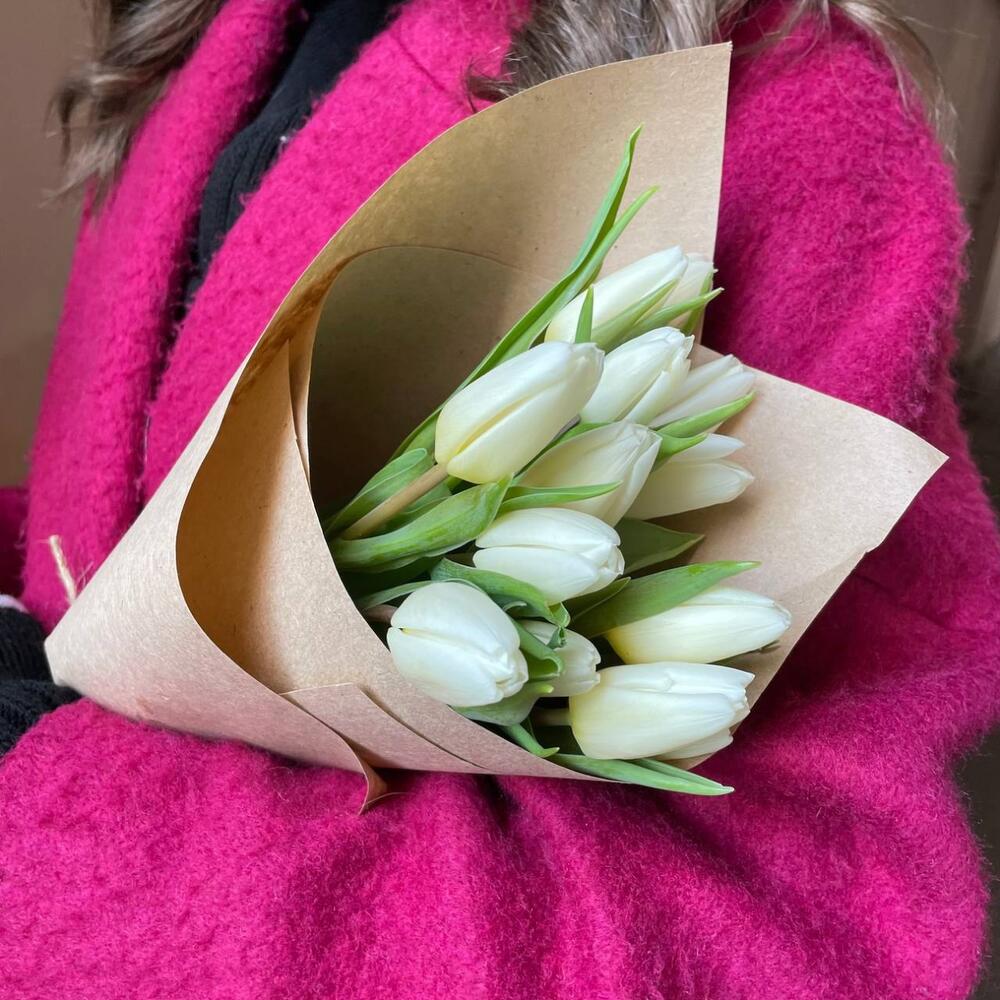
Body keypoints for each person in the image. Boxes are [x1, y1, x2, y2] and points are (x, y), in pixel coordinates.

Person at [2, 1, 998, 996]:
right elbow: (122, 513)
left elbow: (810, 932)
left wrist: (49, 805)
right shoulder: (212, 31)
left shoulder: (790, 105)